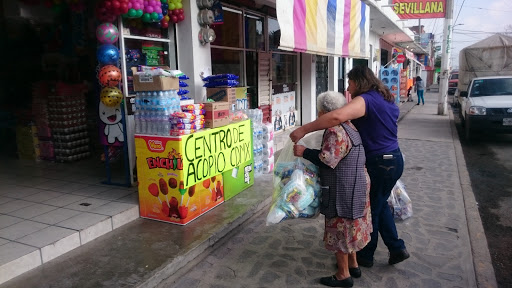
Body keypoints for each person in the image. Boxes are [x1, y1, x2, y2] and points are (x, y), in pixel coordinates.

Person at [290, 65, 409, 271]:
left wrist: (304, 129)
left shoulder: (366, 100)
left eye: (351, 83)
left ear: (360, 82)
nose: (348, 88)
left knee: (371, 209)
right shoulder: (386, 98)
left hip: (380, 162)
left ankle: (365, 256)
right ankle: (396, 248)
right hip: (393, 158)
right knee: (378, 205)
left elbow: (336, 117)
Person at [293, 91, 372, 287]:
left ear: (323, 112)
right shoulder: (350, 125)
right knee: (351, 225)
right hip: (357, 183)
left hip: (344, 188)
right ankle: (353, 264)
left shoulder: (335, 130)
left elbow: (327, 159)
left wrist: (305, 152)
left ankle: (343, 274)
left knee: (341, 228)